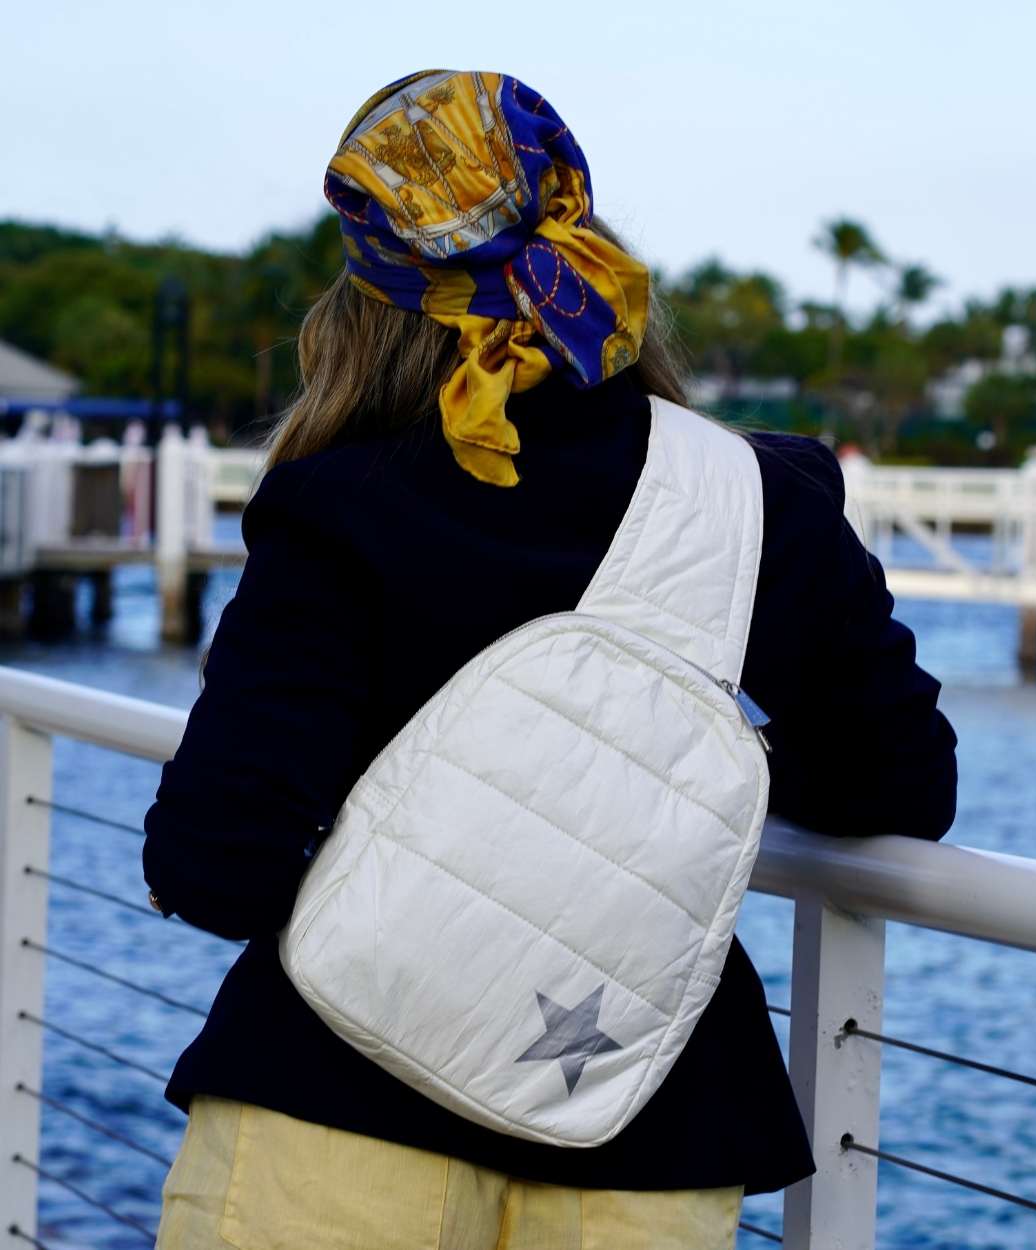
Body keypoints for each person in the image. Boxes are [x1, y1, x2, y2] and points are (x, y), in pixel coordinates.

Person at [144, 68, 957, 1250]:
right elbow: (900, 785)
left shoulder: (341, 501)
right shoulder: (757, 495)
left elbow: (215, 863)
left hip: (337, 1101)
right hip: (649, 1119)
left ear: (374, 287)